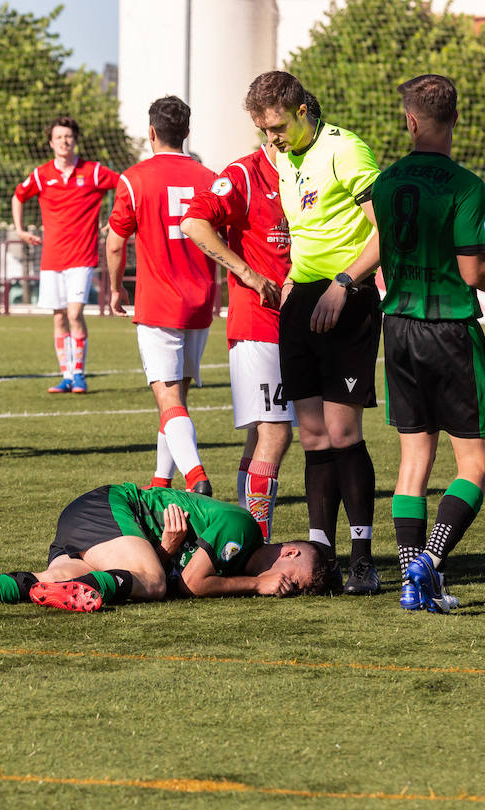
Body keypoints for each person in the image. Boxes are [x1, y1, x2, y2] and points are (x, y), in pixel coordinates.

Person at [372, 75, 485, 613]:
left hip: (398, 328)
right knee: (476, 464)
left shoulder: (385, 181)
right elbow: (472, 274)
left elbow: (428, 246)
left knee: (413, 461)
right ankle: (429, 560)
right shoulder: (466, 184)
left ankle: (411, 581)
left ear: (410, 120)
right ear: (455, 121)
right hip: (449, 331)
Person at [246, 71, 384, 594]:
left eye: (278, 128)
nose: (272, 140)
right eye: (264, 131)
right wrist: (292, 282)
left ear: (303, 111)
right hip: (302, 301)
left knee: (345, 434)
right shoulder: (283, 156)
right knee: (312, 438)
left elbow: (384, 231)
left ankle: (363, 559)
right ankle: (321, 554)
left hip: (347, 300)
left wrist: (344, 283)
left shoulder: (346, 151)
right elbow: (307, 230)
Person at [0, 484, 331, 612]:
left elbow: (163, 562)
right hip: (109, 507)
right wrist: (256, 585)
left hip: (93, 525)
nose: (285, 587)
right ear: (291, 553)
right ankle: (95, 589)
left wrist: (167, 551)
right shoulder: (243, 529)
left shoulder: (234, 564)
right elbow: (188, 585)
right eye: (293, 582)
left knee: (56, 579)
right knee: (153, 585)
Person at [180, 134, 292, 541]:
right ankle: (258, 544)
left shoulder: (303, 172)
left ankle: (242, 538)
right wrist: (248, 274)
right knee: (276, 432)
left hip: (289, 323)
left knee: (261, 434)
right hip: (259, 323)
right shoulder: (244, 173)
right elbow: (193, 222)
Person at [105, 96, 217, 495]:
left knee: (168, 398)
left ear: (150, 132)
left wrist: (117, 287)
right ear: (187, 132)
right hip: (202, 301)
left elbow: (116, 243)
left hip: (158, 303)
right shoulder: (211, 178)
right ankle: (160, 480)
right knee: (176, 400)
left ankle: (196, 478)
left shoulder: (134, 178)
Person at [12, 116, 119, 393]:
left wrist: (115, 220)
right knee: (58, 317)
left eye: (68, 136)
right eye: (59, 137)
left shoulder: (93, 172)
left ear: (75, 140)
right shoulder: (41, 174)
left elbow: (124, 187)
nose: (64, 141)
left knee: (74, 314)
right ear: (51, 143)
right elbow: (18, 195)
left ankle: (79, 374)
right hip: (51, 259)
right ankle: (66, 376)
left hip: (82, 258)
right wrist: (20, 230)